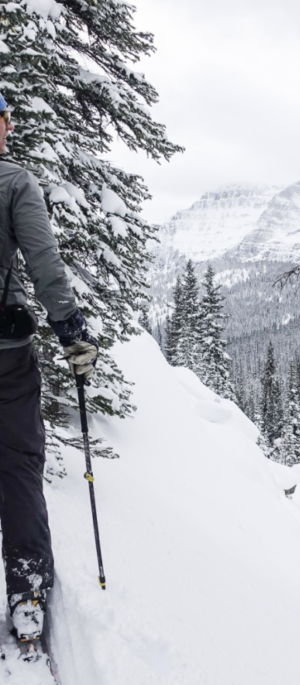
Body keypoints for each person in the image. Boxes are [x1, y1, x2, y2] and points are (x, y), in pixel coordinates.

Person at [0, 92, 98, 642]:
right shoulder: (16, 183)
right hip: (6, 357)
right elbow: (43, 261)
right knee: (17, 465)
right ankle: (27, 593)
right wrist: (72, 333)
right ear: (5, 124)